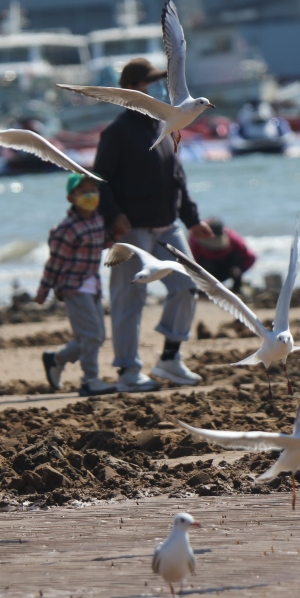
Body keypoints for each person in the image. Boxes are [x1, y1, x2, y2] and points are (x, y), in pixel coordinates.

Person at [93, 58, 214, 392]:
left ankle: (170, 360)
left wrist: (192, 219)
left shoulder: (166, 125)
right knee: (129, 299)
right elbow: (97, 179)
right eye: (152, 83)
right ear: (133, 90)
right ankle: (128, 372)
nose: (160, 88)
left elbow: (178, 178)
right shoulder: (117, 132)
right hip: (131, 230)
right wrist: (113, 214)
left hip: (167, 225)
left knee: (187, 286)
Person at [36, 174, 117, 397]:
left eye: (94, 191)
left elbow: (100, 243)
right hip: (72, 286)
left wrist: (116, 235)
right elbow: (54, 263)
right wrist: (43, 290)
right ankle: (90, 380)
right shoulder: (66, 229)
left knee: (95, 335)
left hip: (93, 285)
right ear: (71, 198)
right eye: (84, 192)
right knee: (91, 335)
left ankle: (57, 359)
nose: (90, 196)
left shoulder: (97, 220)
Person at [188, 217, 257, 293]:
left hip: (227, 269)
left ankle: (237, 288)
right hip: (208, 273)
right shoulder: (195, 239)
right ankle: (206, 290)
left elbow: (250, 257)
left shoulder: (232, 237)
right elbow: (191, 264)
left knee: (236, 257)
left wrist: (241, 269)